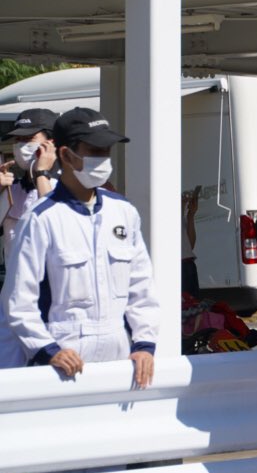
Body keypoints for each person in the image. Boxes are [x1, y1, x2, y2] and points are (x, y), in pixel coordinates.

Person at [0, 107, 158, 387]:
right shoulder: (40, 219)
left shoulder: (123, 212)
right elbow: (18, 302)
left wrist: (144, 344)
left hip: (119, 361)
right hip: (60, 363)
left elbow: (142, 288)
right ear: (65, 154)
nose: (102, 159)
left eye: (106, 150)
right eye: (93, 150)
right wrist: (48, 350)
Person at [2, 108, 59, 248]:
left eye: (29, 138)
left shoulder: (71, 187)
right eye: (18, 139)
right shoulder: (11, 188)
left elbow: (56, 226)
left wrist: (42, 173)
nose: (21, 145)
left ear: (51, 143)